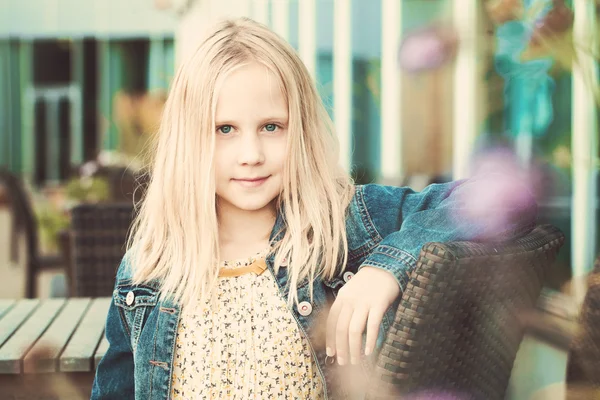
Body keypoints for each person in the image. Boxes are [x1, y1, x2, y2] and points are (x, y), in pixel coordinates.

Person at [91, 17, 537, 400]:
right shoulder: (148, 269)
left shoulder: (346, 224)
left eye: (271, 126)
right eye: (224, 129)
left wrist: (385, 268)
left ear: (300, 129)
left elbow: (496, 198)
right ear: (190, 139)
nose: (251, 153)